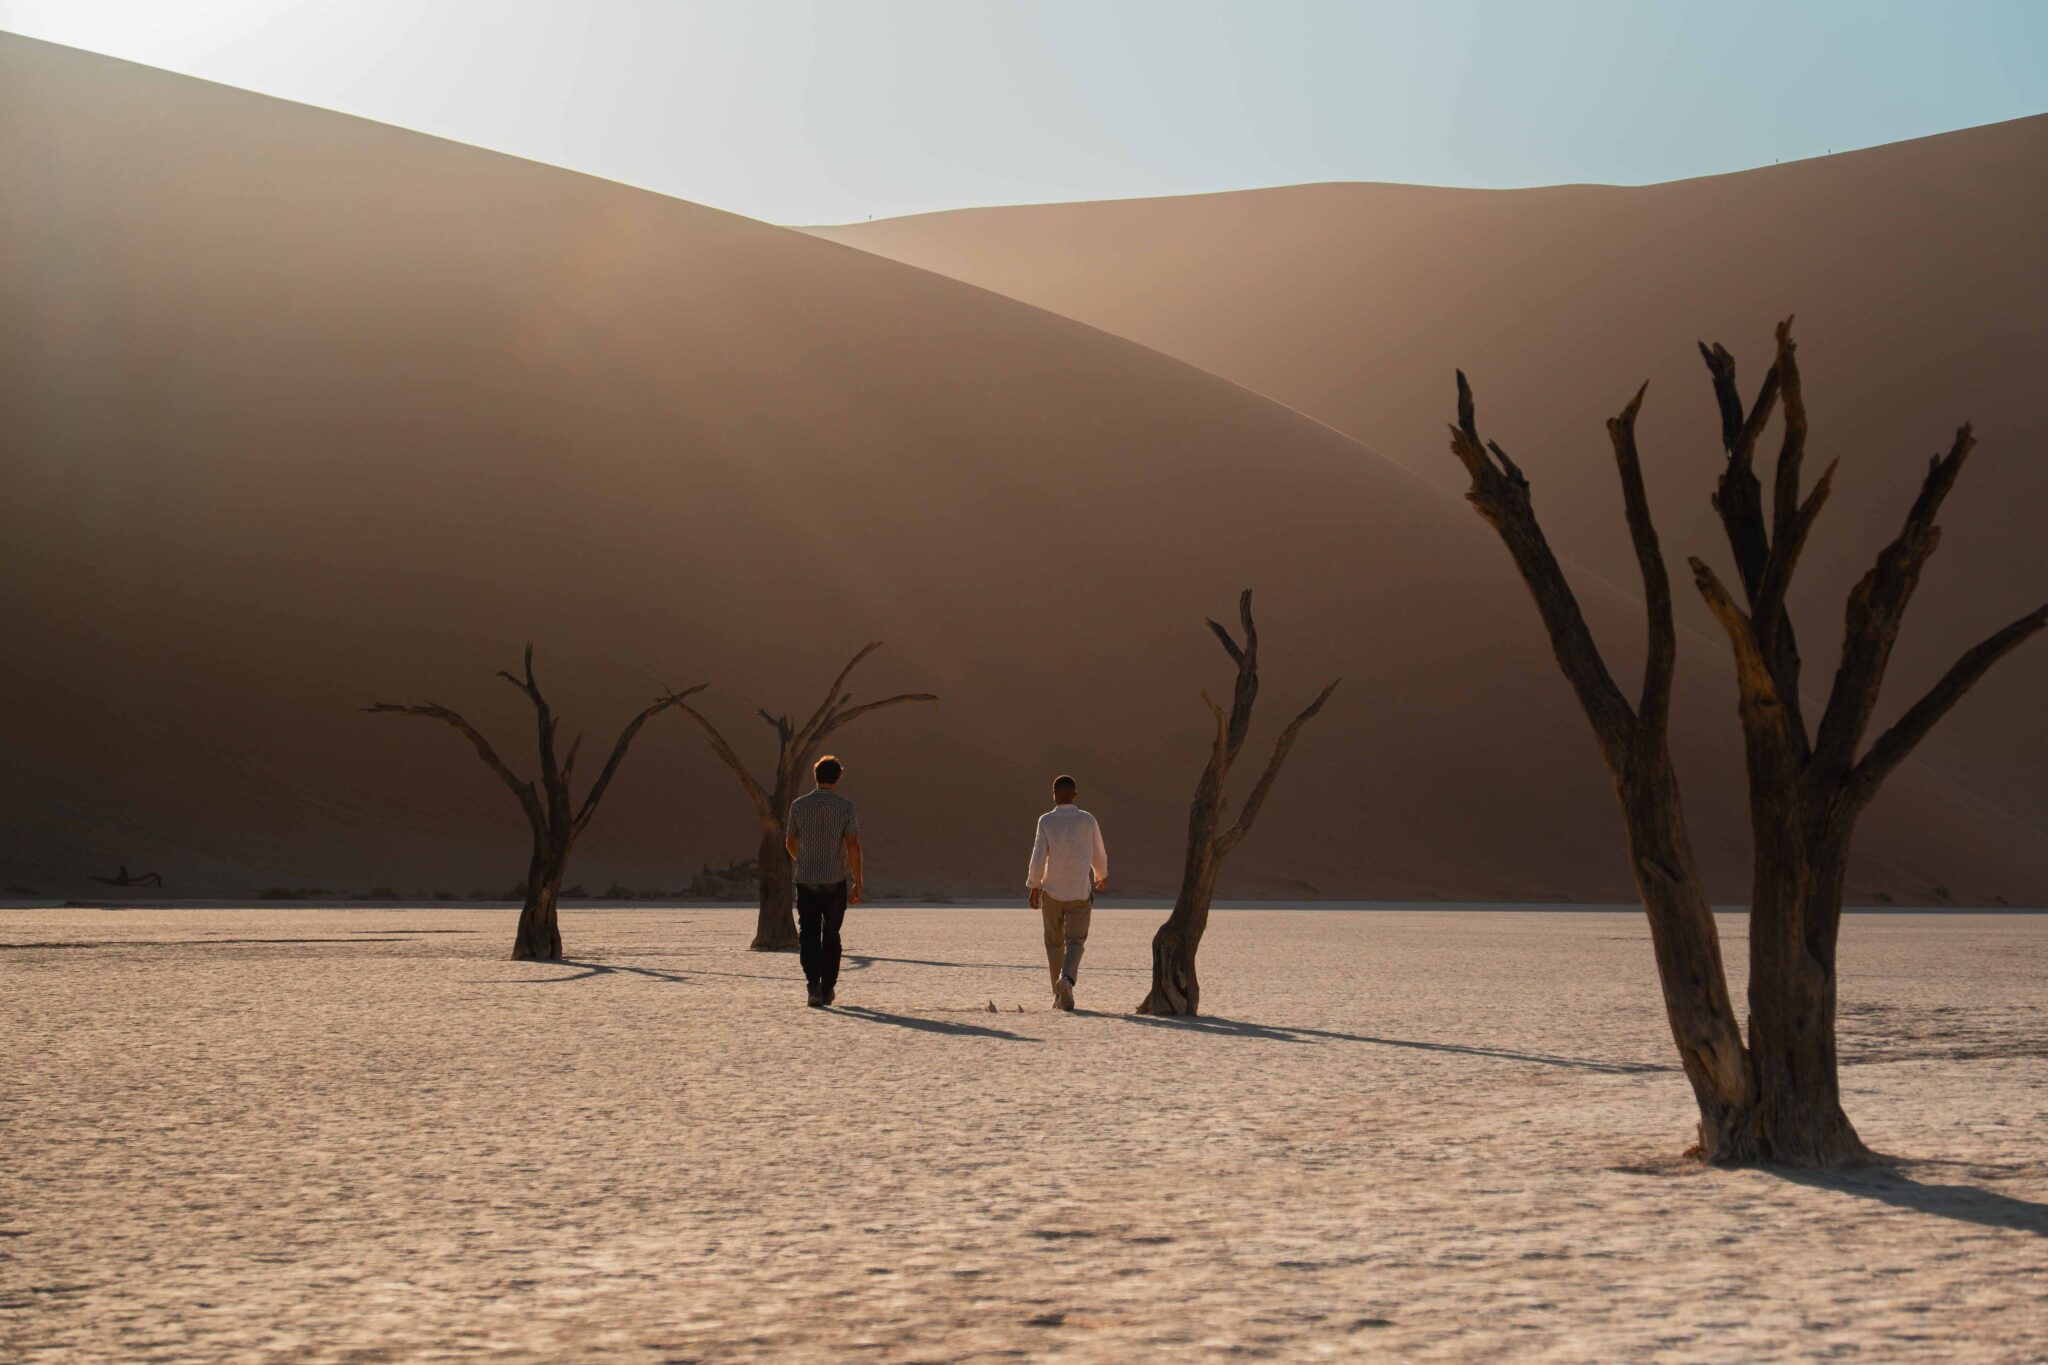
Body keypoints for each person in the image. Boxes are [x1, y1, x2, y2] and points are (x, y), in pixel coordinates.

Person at [785, 754, 863, 1008]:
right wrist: (858, 880)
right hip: (834, 881)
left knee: (808, 935)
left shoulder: (798, 805)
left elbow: (790, 841)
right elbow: (852, 845)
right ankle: (828, 987)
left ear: (815, 776)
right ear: (838, 778)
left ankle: (813, 987)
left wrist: (804, 859)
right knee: (831, 935)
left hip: (806, 881)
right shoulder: (845, 807)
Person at [1025, 774, 1107, 1011]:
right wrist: (1101, 875)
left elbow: (1038, 856)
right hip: (1079, 892)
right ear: (1074, 795)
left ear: (1054, 795)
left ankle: (1058, 995)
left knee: (1054, 943)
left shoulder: (1046, 821)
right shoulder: (1088, 820)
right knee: (1076, 941)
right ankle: (1067, 981)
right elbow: (1098, 852)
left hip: (1051, 892)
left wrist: (1034, 886)